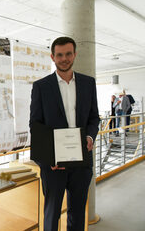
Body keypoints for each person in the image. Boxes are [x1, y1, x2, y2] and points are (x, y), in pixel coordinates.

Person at [30, 37, 99, 231]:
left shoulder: (88, 83)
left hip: (81, 164)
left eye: (68, 54)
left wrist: (90, 137)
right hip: (53, 166)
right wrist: (46, 160)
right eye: (59, 55)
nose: (64, 58)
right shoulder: (41, 86)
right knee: (51, 216)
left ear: (75, 54)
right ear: (53, 57)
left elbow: (94, 118)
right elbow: (35, 125)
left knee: (77, 216)